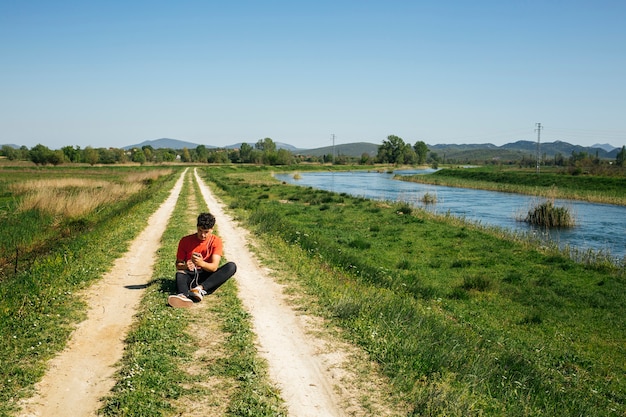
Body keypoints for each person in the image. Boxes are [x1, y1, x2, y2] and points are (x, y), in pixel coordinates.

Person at [168, 212, 237, 308]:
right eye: (200, 230)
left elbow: (213, 267)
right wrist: (186, 266)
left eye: (206, 232)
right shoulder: (185, 241)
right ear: (197, 227)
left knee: (231, 266)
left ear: (212, 229)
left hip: (207, 276)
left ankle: (199, 289)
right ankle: (183, 296)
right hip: (191, 274)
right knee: (180, 273)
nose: (203, 235)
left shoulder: (216, 241)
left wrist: (201, 263)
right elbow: (178, 265)